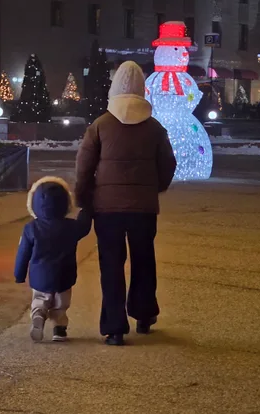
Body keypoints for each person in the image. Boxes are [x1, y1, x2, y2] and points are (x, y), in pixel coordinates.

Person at [74, 61, 177, 346]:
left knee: (111, 264)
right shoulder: (155, 128)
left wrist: (83, 197)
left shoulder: (100, 125)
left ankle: (114, 327)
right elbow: (169, 164)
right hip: (144, 209)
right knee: (144, 260)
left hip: (107, 210)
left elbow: (84, 166)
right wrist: (154, 188)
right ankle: (144, 314)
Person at [15, 177, 92, 342]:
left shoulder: (31, 228)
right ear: (66, 203)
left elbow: (23, 253)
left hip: (39, 276)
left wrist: (19, 274)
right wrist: (87, 208)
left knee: (40, 300)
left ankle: (38, 316)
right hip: (64, 276)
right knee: (60, 305)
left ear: (33, 204)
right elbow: (84, 227)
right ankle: (59, 330)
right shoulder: (71, 227)